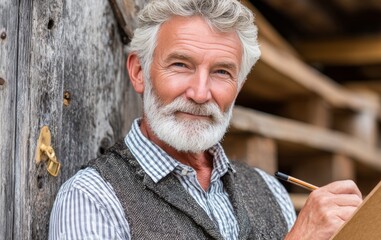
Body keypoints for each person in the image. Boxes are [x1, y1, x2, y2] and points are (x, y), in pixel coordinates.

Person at [48, 0, 363, 239]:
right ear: (139, 72)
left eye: (222, 72)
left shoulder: (270, 189)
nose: (200, 93)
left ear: (238, 86)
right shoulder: (92, 198)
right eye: (181, 65)